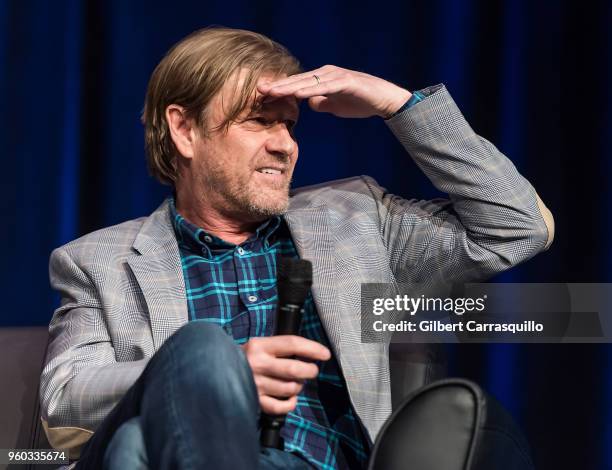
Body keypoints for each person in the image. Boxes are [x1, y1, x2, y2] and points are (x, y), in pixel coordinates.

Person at [39, 27, 554, 470]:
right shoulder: (98, 261)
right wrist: (217, 373)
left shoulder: (355, 219)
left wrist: (398, 104)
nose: (284, 144)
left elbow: (515, 228)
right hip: (182, 447)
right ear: (184, 128)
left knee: (136, 445)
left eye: (289, 124)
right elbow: (65, 397)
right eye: (259, 121)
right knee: (194, 355)